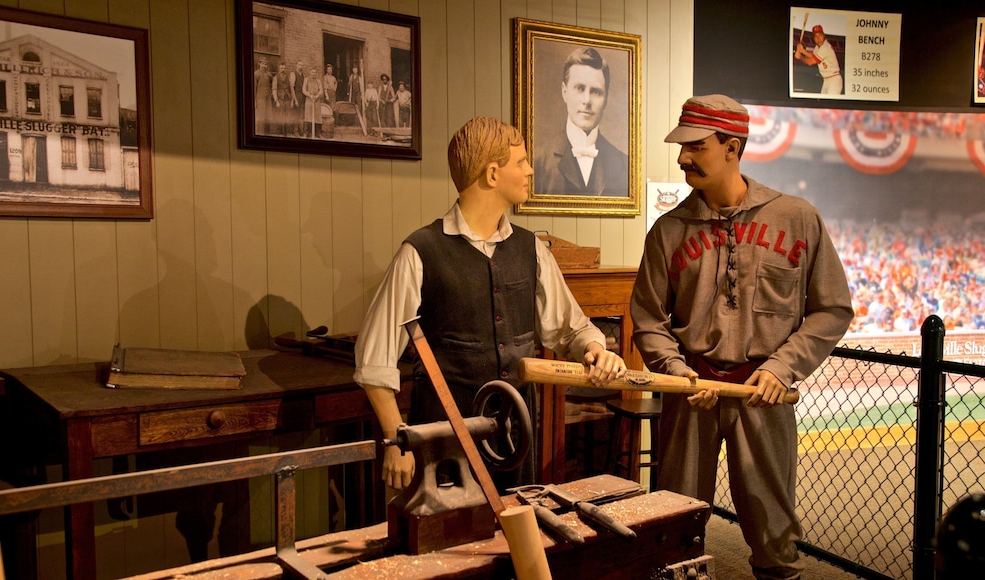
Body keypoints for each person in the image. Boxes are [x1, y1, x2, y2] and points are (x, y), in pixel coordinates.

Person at [629, 94, 853, 580]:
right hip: (691, 396)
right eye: (682, 146)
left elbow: (832, 307)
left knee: (774, 526)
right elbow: (647, 317)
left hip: (763, 394)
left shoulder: (796, 218)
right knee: (675, 519)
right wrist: (676, 371)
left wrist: (782, 365)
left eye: (696, 146)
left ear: (732, 148)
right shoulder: (668, 231)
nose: (682, 157)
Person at [355, 116, 627, 492]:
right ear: (492, 173)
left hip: (515, 433)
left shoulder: (530, 248)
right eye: (521, 162)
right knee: (450, 546)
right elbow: (375, 360)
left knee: (513, 536)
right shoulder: (420, 252)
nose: (531, 170)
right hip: (445, 436)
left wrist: (597, 349)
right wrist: (396, 441)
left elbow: (570, 328)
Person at [533, 46, 628, 197]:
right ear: (565, 92)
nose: (587, 101)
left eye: (596, 92)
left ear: (606, 99)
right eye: (579, 88)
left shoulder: (624, 163)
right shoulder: (538, 161)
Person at [794, 24, 843, 95]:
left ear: (823, 35)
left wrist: (800, 57)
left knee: (830, 105)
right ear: (813, 38)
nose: (818, 38)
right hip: (826, 80)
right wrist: (802, 50)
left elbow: (810, 62)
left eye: (820, 35)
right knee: (823, 104)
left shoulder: (825, 48)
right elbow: (813, 55)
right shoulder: (818, 47)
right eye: (816, 36)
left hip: (834, 80)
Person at [271, 61, 296, 136]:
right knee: (280, 115)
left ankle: (286, 132)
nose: (283, 69)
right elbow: (274, 89)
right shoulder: (275, 77)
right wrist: (276, 101)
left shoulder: (288, 77)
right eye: (281, 68)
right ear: (279, 68)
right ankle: (280, 132)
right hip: (280, 99)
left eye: (284, 68)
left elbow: (291, 89)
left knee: (287, 115)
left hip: (287, 98)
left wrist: (292, 100)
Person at [302, 66, 324, 138]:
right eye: (312, 72)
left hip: (317, 100)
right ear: (310, 72)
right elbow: (304, 90)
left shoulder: (318, 81)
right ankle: (306, 133)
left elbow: (321, 90)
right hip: (309, 100)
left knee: (317, 117)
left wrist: (317, 96)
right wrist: (310, 95)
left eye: (315, 72)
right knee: (308, 116)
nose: (313, 74)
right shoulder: (306, 80)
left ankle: (318, 133)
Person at [253, 58, 273, 134]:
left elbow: (272, 85)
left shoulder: (269, 74)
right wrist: (254, 101)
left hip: (268, 99)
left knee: (268, 117)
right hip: (260, 99)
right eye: (263, 64)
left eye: (265, 64)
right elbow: (254, 88)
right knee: (261, 118)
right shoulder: (256, 74)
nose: (264, 66)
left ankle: (267, 134)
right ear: (259, 64)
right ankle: (260, 134)